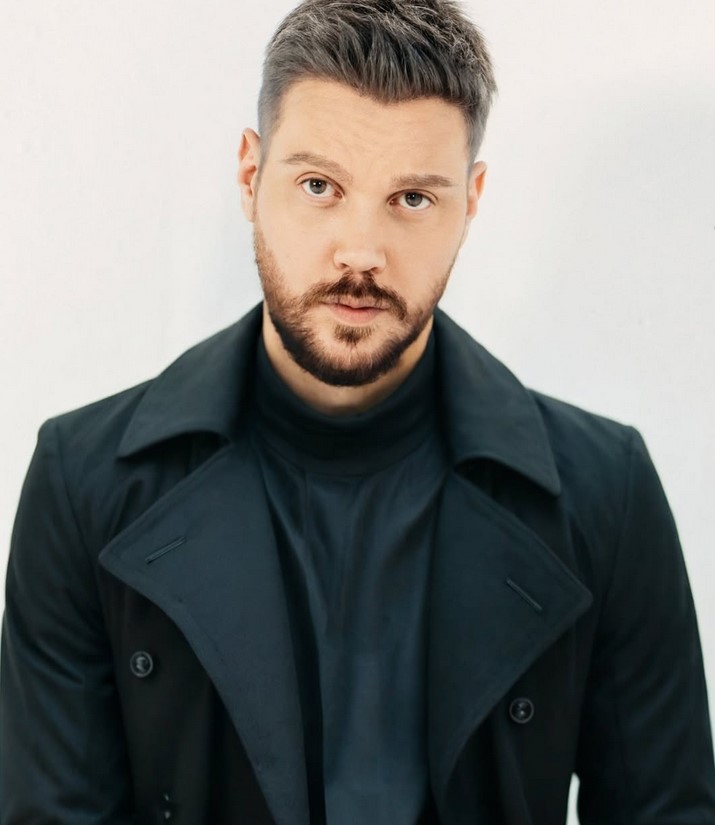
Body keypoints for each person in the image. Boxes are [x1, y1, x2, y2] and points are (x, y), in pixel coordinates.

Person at [1, 0, 714, 822]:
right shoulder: (84, 482)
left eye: (411, 198)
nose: (360, 252)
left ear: (471, 201)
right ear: (249, 176)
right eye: (319, 187)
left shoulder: (603, 491)